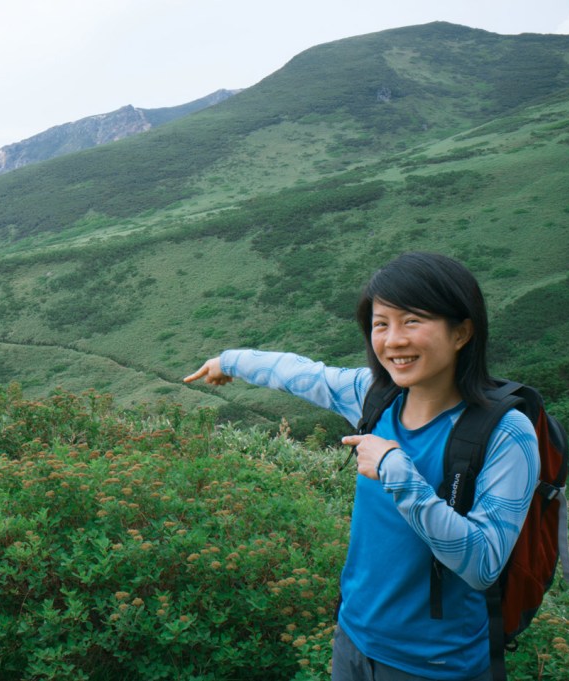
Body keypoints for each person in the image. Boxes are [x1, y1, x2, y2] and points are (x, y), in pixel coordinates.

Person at [183, 252, 539, 681]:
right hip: (352, 640)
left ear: (462, 332)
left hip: (436, 665)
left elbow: (483, 564)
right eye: (381, 323)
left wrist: (396, 471)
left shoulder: (506, 434)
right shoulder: (375, 396)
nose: (393, 340)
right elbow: (299, 373)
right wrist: (228, 362)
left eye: (412, 321)